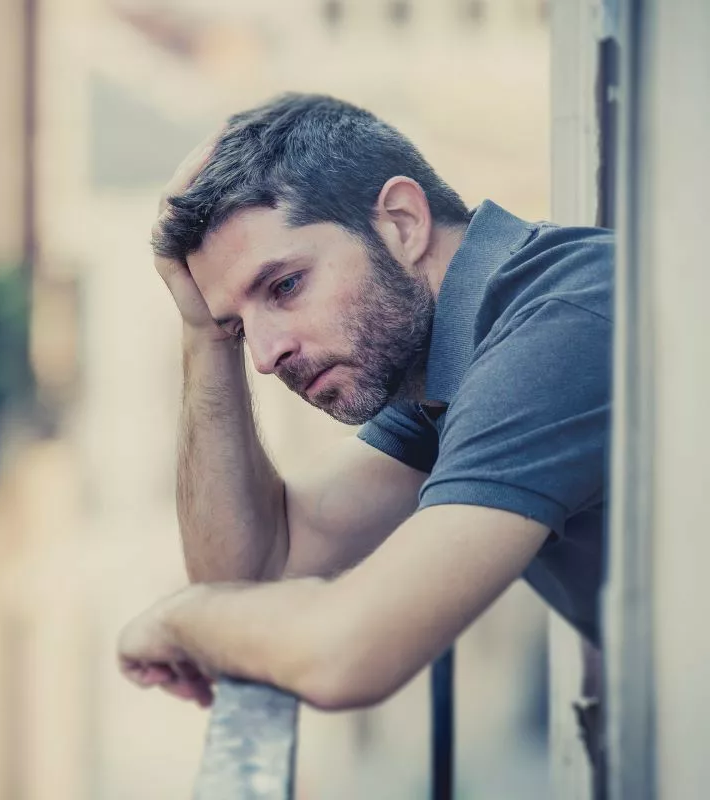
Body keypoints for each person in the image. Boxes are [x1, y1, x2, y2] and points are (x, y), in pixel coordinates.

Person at [116, 94, 611, 749]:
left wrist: (182, 619)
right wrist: (204, 335)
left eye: (285, 286)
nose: (265, 357)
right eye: (239, 326)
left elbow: (347, 655)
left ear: (402, 223)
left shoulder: (558, 329)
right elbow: (255, 570)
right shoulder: (447, 369)